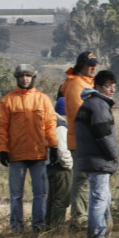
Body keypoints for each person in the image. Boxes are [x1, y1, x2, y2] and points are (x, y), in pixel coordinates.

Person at [0, 64, 57, 233]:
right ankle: (16, 228)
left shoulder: (43, 99)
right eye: (21, 76)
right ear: (17, 78)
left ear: (33, 78)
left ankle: (38, 225)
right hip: (16, 155)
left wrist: (54, 146)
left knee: (41, 194)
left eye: (28, 75)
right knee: (16, 196)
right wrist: (3, 149)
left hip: (39, 154)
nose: (25, 78)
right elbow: (1, 127)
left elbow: (50, 124)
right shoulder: (7, 100)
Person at [75, 70, 119, 238]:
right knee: (100, 197)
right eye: (108, 86)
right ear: (98, 87)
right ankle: (96, 235)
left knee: (103, 197)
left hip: (89, 157)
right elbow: (104, 135)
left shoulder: (87, 104)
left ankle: (102, 232)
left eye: (113, 86)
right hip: (98, 159)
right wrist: (114, 155)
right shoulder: (99, 106)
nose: (111, 90)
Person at [60, 50, 100, 230]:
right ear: (80, 66)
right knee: (82, 179)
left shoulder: (86, 83)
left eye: (95, 64)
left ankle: (83, 215)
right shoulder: (77, 85)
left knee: (85, 179)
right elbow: (82, 115)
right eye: (89, 64)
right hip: (82, 139)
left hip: (86, 139)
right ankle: (79, 217)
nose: (93, 67)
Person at [45, 97, 73, 229]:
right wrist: (69, 165)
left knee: (52, 199)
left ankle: (48, 225)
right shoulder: (61, 125)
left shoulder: (50, 122)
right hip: (61, 168)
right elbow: (62, 149)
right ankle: (56, 228)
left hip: (50, 166)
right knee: (61, 199)